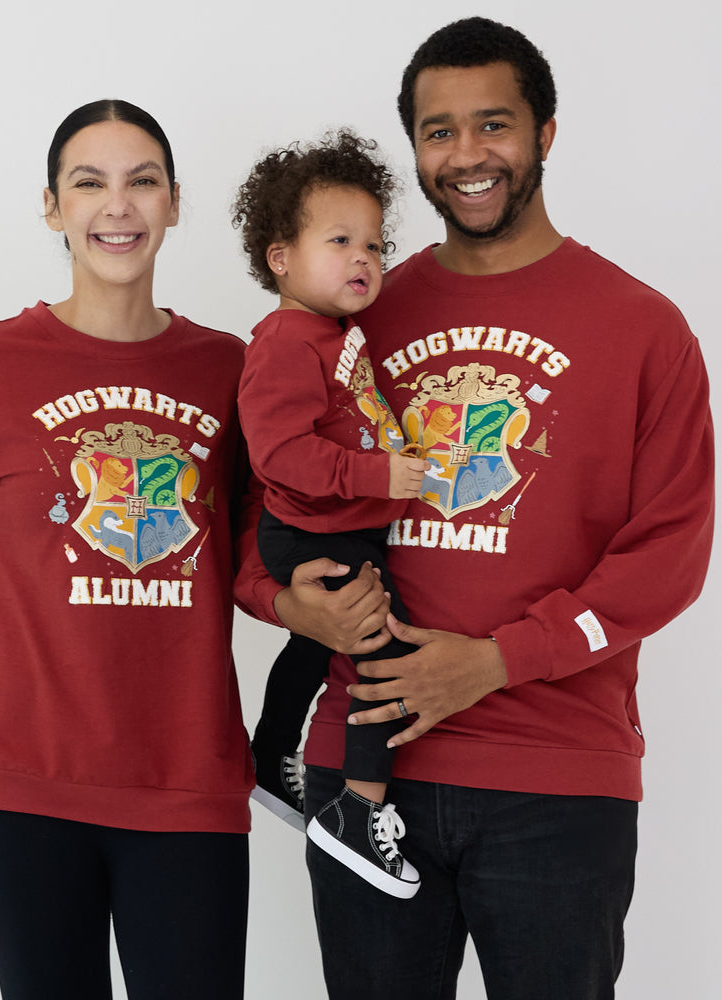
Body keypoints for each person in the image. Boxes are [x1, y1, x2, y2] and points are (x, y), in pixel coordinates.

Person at [236, 17, 714, 1000]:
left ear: (544, 133)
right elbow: (256, 510)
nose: (465, 156)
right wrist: (289, 605)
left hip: (555, 781)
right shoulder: (350, 316)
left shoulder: (642, 329)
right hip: (364, 768)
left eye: (491, 124)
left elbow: (666, 556)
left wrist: (500, 659)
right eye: (437, 131)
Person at [0, 100, 252, 1000]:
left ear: (176, 202)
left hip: (186, 775)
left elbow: (262, 540)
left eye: (143, 181)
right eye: (90, 183)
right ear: (51, 207)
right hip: (19, 785)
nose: (119, 207)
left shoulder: (232, 369)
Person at [232, 130, 428, 898]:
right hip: (313, 530)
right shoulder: (285, 342)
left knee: (316, 652)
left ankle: (269, 751)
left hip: (336, 525)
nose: (363, 259)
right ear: (281, 257)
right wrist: (379, 473)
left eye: (375, 246)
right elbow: (280, 454)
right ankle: (356, 807)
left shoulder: (333, 335)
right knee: (389, 655)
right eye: (340, 240)